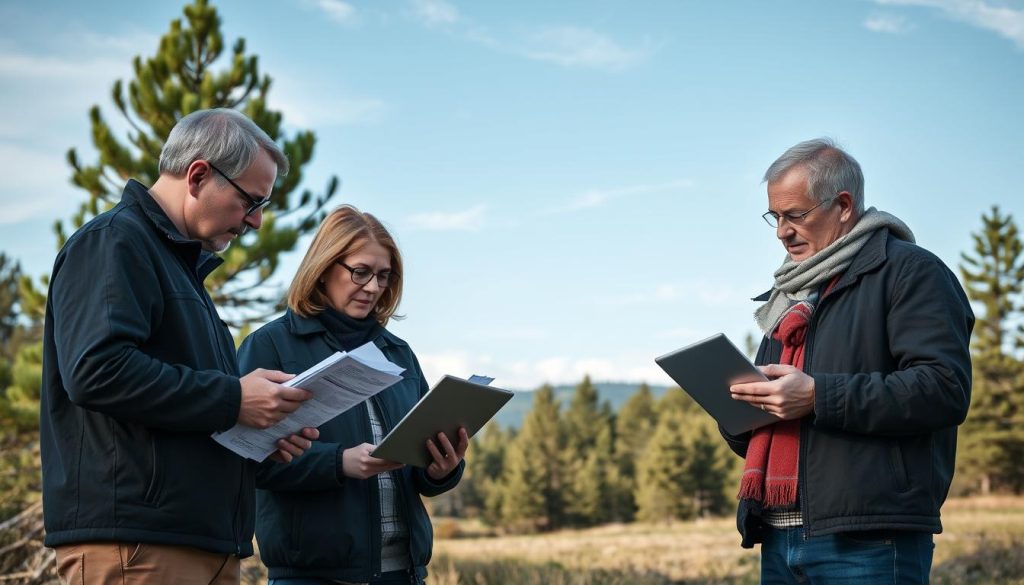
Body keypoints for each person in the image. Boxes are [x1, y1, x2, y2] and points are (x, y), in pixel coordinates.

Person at [41, 108, 320, 585]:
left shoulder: (180, 270)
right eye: (251, 201)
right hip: (138, 546)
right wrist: (234, 399)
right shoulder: (114, 242)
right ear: (198, 175)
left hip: (193, 542)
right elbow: (97, 371)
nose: (254, 222)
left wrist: (256, 438)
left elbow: (181, 408)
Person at [723, 138, 974, 584]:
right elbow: (757, 438)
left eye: (795, 215)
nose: (782, 231)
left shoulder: (911, 273)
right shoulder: (788, 296)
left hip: (871, 539)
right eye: (775, 217)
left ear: (842, 205)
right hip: (778, 536)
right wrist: (737, 408)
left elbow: (943, 389)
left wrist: (818, 396)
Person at [238, 205, 467, 585]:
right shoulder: (270, 346)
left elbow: (418, 465)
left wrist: (442, 469)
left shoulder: (398, 353)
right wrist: (338, 462)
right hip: (311, 577)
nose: (374, 287)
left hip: (405, 574)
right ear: (325, 267)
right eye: (361, 272)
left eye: (383, 276)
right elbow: (247, 459)